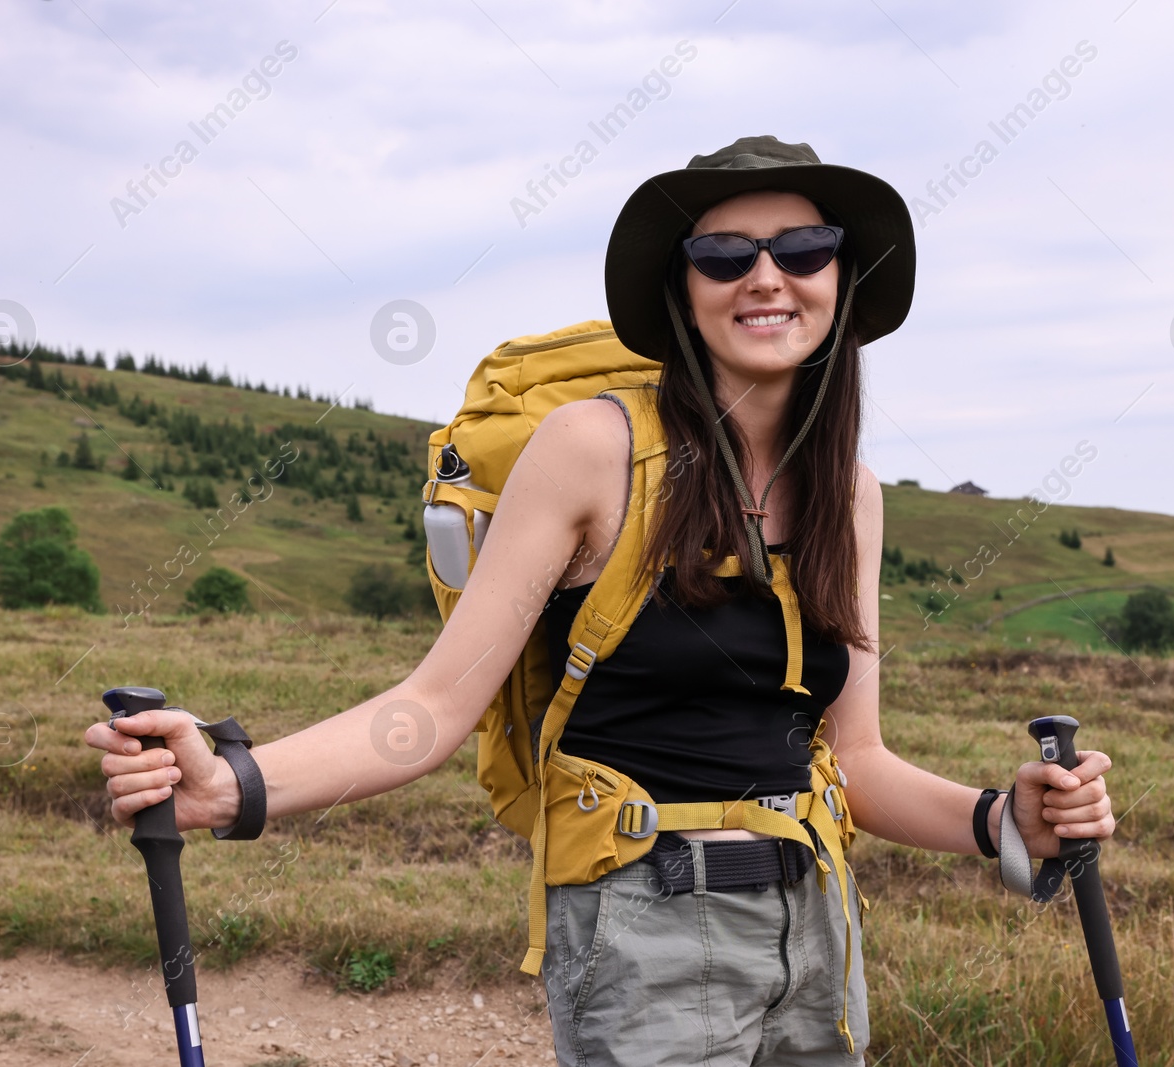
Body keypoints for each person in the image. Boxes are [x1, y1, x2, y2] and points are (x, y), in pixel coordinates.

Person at [85, 135, 1116, 1066]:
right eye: (724, 254)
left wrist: (999, 816)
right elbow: (437, 705)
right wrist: (235, 783)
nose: (766, 275)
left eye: (803, 247)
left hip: (817, 920)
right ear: (683, 290)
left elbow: (855, 760)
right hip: (640, 921)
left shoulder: (849, 490)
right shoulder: (594, 448)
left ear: (841, 279)